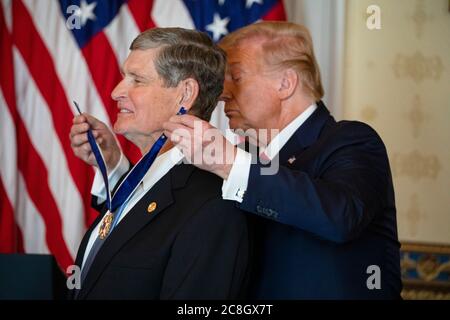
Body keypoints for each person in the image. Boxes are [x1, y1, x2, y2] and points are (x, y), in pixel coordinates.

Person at [92, 22, 402, 299]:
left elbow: (341, 216)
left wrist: (230, 163)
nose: (223, 93)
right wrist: (116, 171)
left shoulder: (351, 140)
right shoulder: (243, 159)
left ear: (285, 83)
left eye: (237, 76)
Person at [68, 27, 250, 300]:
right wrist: (113, 164)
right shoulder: (141, 180)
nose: (116, 91)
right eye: (123, 77)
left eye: (137, 80)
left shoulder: (212, 205)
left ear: (185, 94)